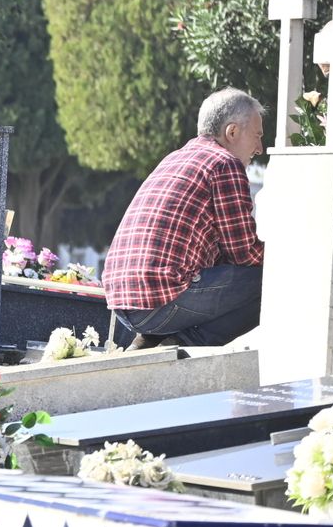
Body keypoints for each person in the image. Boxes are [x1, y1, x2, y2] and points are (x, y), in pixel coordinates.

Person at [102, 88, 266, 350]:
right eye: (257, 136)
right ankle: (181, 345)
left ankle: (147, 343)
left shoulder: (175, 157)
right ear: (232, 132)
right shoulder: (224, 163)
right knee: (271, 283)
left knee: (211, 274)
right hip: (160, 299)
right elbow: (245, 253)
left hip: (120, 300)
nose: (259, 148)